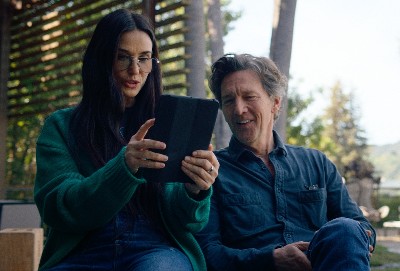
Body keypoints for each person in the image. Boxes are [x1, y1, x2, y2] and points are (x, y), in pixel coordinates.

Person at [34, 9, 219, 271]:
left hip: (155, 251)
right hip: (82, 252)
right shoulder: (61, 127)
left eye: (144, 59)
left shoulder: (166, 123)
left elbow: (189, 223)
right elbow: (59, 208)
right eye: (123, 58)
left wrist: (195, 189)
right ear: (101, 60)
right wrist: (123, 168)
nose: (135, 70)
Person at [195, 53, 376, 271]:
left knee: (346, 229)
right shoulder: (211, 172)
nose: (239, 109)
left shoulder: (317, 163)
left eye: (249, 97)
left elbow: (363, 228)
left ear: (275, 103)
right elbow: (207, 252)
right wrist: (269, 259)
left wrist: (351, 239)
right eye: (229, 100)